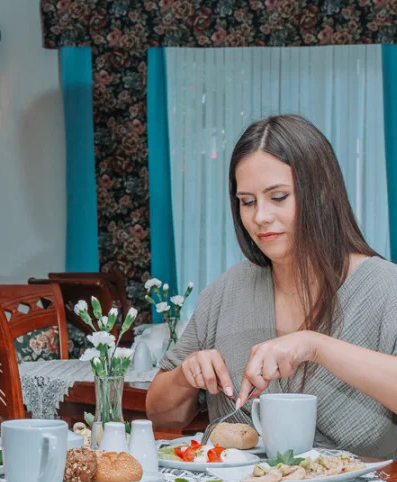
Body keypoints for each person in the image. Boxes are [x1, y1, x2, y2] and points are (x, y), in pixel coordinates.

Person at [146, 115, 397, 459]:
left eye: (278, 196)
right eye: (247, 202)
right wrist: (185, 376)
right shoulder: (226, 291)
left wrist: (315, 345)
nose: (259, 216)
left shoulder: (385, 287)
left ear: (322, 194)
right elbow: (160, 414)